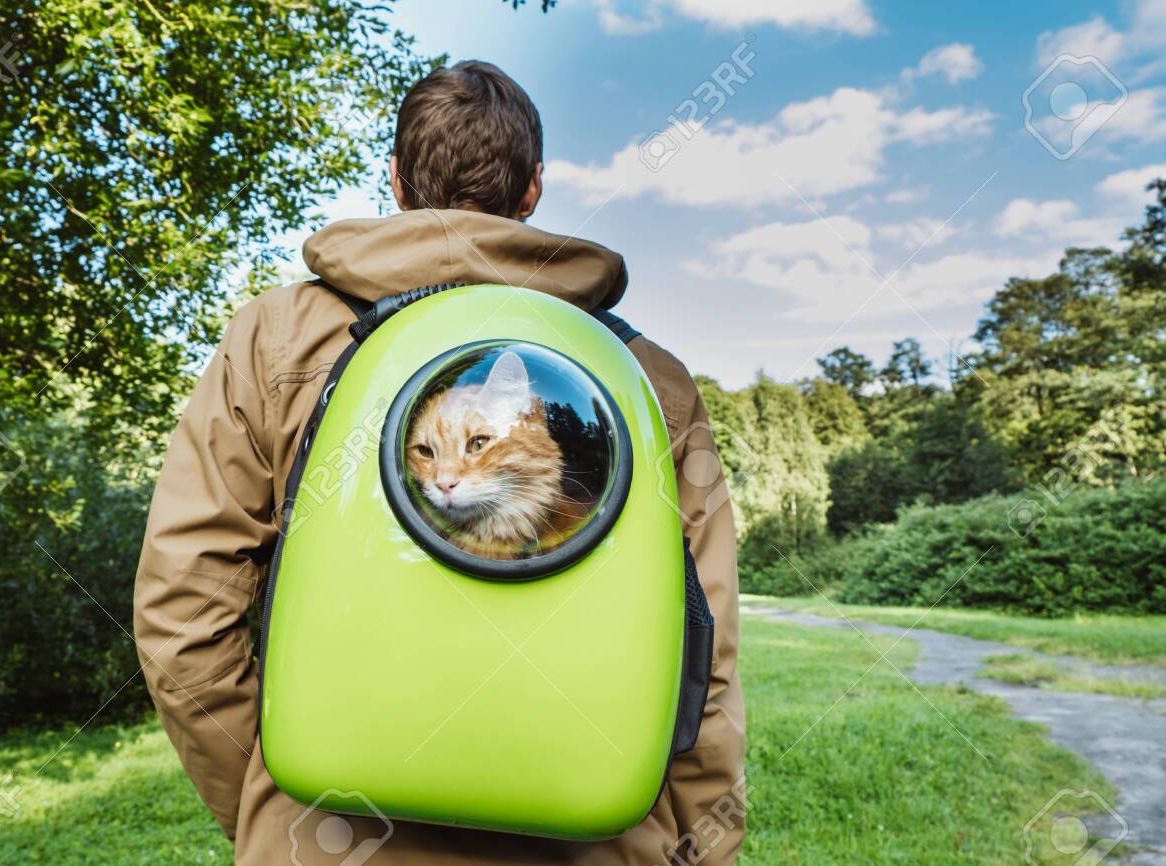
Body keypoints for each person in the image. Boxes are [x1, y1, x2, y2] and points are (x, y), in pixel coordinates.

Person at [134, 59, 746, 865]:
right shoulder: (647, 378)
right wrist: (698, 845)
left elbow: (182, 613)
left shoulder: (274, 337)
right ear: (532, 191)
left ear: (396, 181)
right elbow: (705, 653)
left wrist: (268, 807)